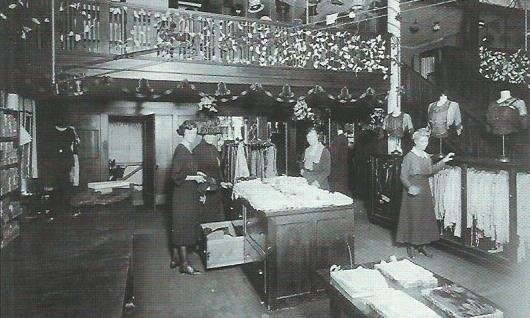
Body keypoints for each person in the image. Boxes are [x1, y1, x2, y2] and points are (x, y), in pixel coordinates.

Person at [396, 128, 454, 258]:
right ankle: (411, 245)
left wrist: (443, 161)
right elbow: (403, 176)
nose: (425, 143)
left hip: (425, 188)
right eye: (422, 141)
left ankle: (422, 245)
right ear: (415, 141)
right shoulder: (409, 156)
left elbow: (430, 170)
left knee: (424, 217)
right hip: (413, 189)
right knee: (413, 217)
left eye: (426, 141)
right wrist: (409, 187)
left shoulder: (427, 156)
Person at [169, 120, 205, 275]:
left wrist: (197, 174)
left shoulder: (188, 149)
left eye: (195, 133)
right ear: (184, 132)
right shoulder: (181, 150)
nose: (192, 136)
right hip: (182, 195)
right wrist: (194, 178)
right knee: (183, 227)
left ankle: (176, 258)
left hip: (188, 193)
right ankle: (184, 264)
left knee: (184, 225)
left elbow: (187, 170)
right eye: (190, 132)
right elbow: (175, 175)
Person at [193, 125, 225, 223]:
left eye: (214, 135)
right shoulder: (197, 150)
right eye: (209, 135)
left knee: (217, 218)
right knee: (207, 218)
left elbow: (217, 169)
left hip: (216, 189)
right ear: (203, 135)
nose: (211, 137)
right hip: (205, 190)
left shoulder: (213, 149)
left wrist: (221, 182)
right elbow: (195, 172)